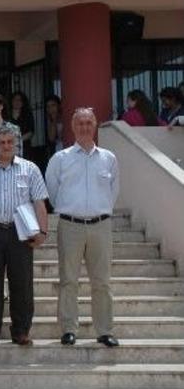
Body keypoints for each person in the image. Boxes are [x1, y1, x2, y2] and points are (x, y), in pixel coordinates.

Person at [46, 108, 121, 348]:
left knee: (102, 281)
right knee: (68, 280)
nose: (85, 127)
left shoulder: (108, 158)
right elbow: (52, 191)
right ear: (73, 126)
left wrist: (99, 211)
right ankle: (69, 328)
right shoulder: (60, 158)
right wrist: (72, 209)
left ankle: (105, 330)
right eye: (80, 123)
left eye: (89, 122)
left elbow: (113, 191)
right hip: (70, 225)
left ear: (95, 125)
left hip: (101, 226)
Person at [0, 125, 49, 346]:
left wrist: (43, 231)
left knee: (22, 283)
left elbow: (39, 201)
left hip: (20, 233)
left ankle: (21, 330)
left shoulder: (30, 168)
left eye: (10, 142)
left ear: (16, 143)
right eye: (1, 142)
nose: (6, 146)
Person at [45, 94, 64, 159]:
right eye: (48, 106)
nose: (51, 108)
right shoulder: (50, 120)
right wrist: (54, 120)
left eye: (53, 105)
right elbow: (51, 138)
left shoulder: (65, 115)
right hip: (59, 149)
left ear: (58, 105)